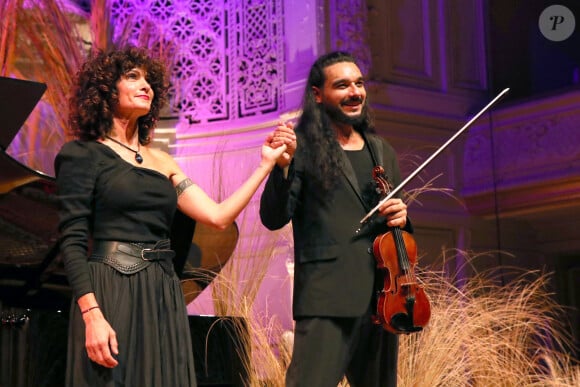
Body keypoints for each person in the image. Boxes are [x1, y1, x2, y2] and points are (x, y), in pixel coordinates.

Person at [54, 46, 287, 387]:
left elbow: (219, 217)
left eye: (149, 79)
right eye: (132, 77)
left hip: (161, 288)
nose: (145, 84)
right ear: (105, 89)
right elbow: (72, 242)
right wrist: (92, 316)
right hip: (110, 286)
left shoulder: (162, 161)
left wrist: (265, 165)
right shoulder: (82, 154)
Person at [260, 51, 412, 387]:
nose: (355, 92)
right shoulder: (303, 147)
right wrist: (282, 168)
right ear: (318, 95)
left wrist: (403, 216)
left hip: (383, 299)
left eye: (358, 83)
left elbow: (398, 229)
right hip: (326, 297)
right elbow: (273, 217)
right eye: (342, 85)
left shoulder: (381, 150)